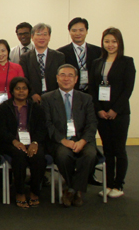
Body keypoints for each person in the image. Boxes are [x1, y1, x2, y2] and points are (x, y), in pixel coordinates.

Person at [42, 64, 98, 207]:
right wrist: (63, 140)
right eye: (62, 75)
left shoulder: (86, 98)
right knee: (63, 155)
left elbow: (92, 124)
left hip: (82, 139)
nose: (66, 78)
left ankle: (72, 189)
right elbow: (47, 124)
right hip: (60, 140)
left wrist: (83, 141)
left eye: (70, 75)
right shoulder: (47, 98)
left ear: (76, 79)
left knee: (90, 155)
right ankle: (76, 190)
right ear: (57, 78)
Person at [89, 28, 135, 198]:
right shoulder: (97, 62)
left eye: (114, 41)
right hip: (101, 112)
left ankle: (119, 185)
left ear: (119, 43)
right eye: (107, 41)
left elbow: (127, 90)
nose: (110, 45)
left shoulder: (127, 62)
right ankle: (108, 184)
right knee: (107, 149)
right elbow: (93, 88)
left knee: (119, 150)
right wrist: (99, 109)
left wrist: (115, 110)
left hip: (120, 113)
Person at [0, 77, 47, 208]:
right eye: (17, 88)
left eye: (24, 88)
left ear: (28, 91)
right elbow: (1, 130)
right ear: (12, 91)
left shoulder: (36, 108)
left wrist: (35, 142)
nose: (21, 91)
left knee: (38, 156)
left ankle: (34, 191)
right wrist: (14, 141)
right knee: (19, 156)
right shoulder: (4, 108)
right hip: (10, 143)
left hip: (32, 141)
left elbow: (42, 129)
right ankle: (20, 192)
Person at [20, 23, 66, 104]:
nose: (42, 37)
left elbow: (62, 77)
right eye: (38, 34)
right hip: (32, 99)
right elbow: (24, 78)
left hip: (55, 98)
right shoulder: (25, 57)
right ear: (32, 37)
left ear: (49, 37)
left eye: (45, 34)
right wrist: (32, 94)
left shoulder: (59, 56)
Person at [58, 17, 102, 92]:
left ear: (86, 31)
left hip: (93, 92)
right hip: (71, 92)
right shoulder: (61, 53)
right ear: (69, 32)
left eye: (81, 30)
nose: (78, 33)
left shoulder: (98, 51)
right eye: (74, 30)